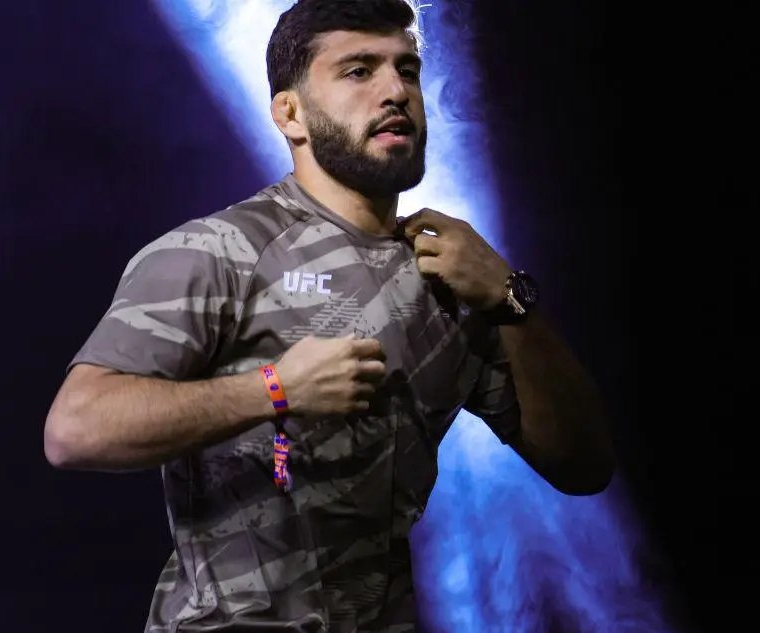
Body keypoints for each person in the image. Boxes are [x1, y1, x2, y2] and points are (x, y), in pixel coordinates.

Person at [44, 0, 615, 630]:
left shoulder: (453, 276)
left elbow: (583, 466)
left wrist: (511, 300)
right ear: (290, 114)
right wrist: (275, 389)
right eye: (358, 71)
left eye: (407, 69)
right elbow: (76, 428)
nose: (395, 91)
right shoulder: (217, 251)